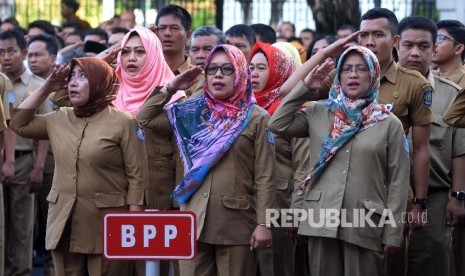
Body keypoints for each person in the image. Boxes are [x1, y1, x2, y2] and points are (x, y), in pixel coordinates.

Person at [269, 45, 410, 276]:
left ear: (373, 74)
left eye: (361, 69)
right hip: (320, 219)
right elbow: (277, 124)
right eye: (346, 69)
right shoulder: (318, 112)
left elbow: (398, 181)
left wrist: (393, 231)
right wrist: (305, 89)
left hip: (365, 223)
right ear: (339, 76)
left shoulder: (388, 122)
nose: (353, 74)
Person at [137, 44, 276, 276]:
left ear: (241, 73)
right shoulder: (191, 113)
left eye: (227, 69)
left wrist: (264, 224)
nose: (218, 75)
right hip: (193, 220)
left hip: (236, 223)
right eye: (212, 69)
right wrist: (171, 88)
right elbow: (144, 119)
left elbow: (265, 176)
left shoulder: (256, 118)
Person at [9, 57, 148, 275]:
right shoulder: (59, 118)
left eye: (83, 76)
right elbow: (18, 123)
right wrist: (47, 87)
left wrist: (132, 226)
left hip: (106, 225)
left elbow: (137, 176)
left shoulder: (124, 122)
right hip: (65, 222)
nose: (73, 82)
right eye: (71, 76)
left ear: (100, 82)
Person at [396, 15, 465, 276]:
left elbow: (459, 149)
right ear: (396, 44)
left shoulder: (450, 94)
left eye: (424, 46)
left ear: (433, 49)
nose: (415, 53)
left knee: (430, 259)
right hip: (384, 194)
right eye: (408, 45)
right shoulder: (373, 88)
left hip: (434, 197)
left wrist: (458, 197)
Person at [114, 26, 185, 276]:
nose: (131, 58)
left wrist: (179, 202)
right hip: (114, 191)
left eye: (140, 52)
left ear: (154, 54)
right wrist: (111, 50)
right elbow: (61, 98)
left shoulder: (175, 96)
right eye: (126, 52)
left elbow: (181, 154)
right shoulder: (110, 91)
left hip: (157, 194)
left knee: (154, 266)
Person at [249, 42, 310, 276]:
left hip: (280, 207)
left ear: (279, 70)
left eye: (262, 68)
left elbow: (303, 169)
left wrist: (298, 213)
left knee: (276, 267)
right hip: (245, 207)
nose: (254, 73)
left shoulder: (294, 112)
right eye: (251, 67)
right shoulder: (241, 110)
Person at [0, 29, 52, 276]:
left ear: (21, 52)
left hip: (23, 160)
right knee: (4, 224)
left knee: (23, 224)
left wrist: (38, 167)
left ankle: (21, 270)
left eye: (11, 51)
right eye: (1, 52)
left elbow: (44, 130)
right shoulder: (3, 84)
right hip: (4, 160)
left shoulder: (37, 86)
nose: (6, 57)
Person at [154, 5, 199, 96]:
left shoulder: (199, 77)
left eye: (174, 28)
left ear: (188, 35)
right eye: (162, 28)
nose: (167, 33)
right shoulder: (145, 73)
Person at [432, 20, 465, 88]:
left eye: (440, 38)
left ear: (459, 49)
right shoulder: (426, 79)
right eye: (433, 39)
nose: (434, 44)